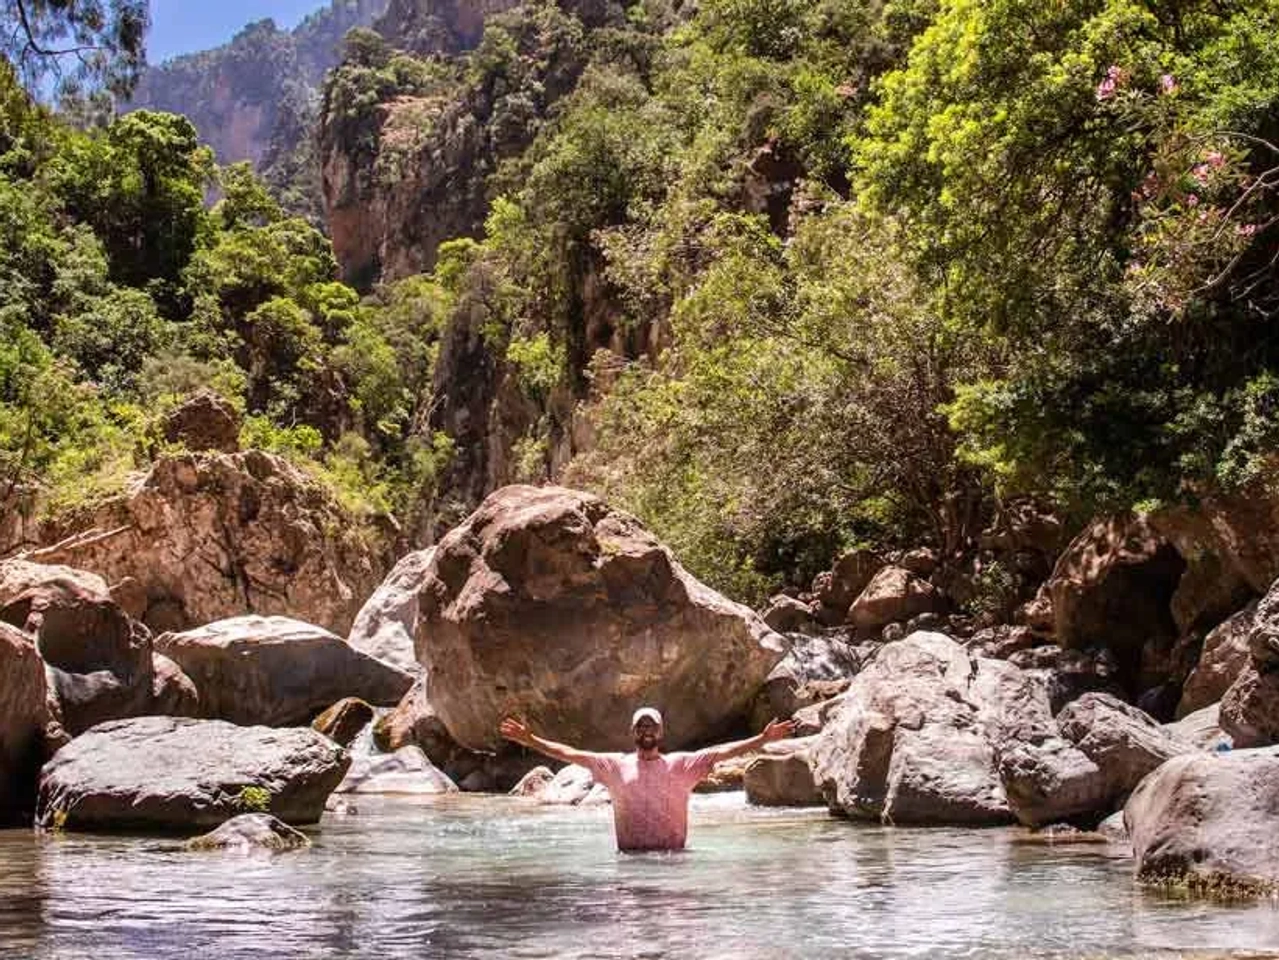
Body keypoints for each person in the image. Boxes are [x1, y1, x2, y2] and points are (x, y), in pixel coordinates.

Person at [499, 708, 797, 852]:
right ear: (633, 732)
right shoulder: (614, 766)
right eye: (641, 726)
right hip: (628, 866)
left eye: (651, 725)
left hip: (674, 865)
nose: (646, 731)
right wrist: (531, 739)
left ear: (661, 732)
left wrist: (762, 738)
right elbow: (569, 753)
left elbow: (722, 752)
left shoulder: (682, 765)